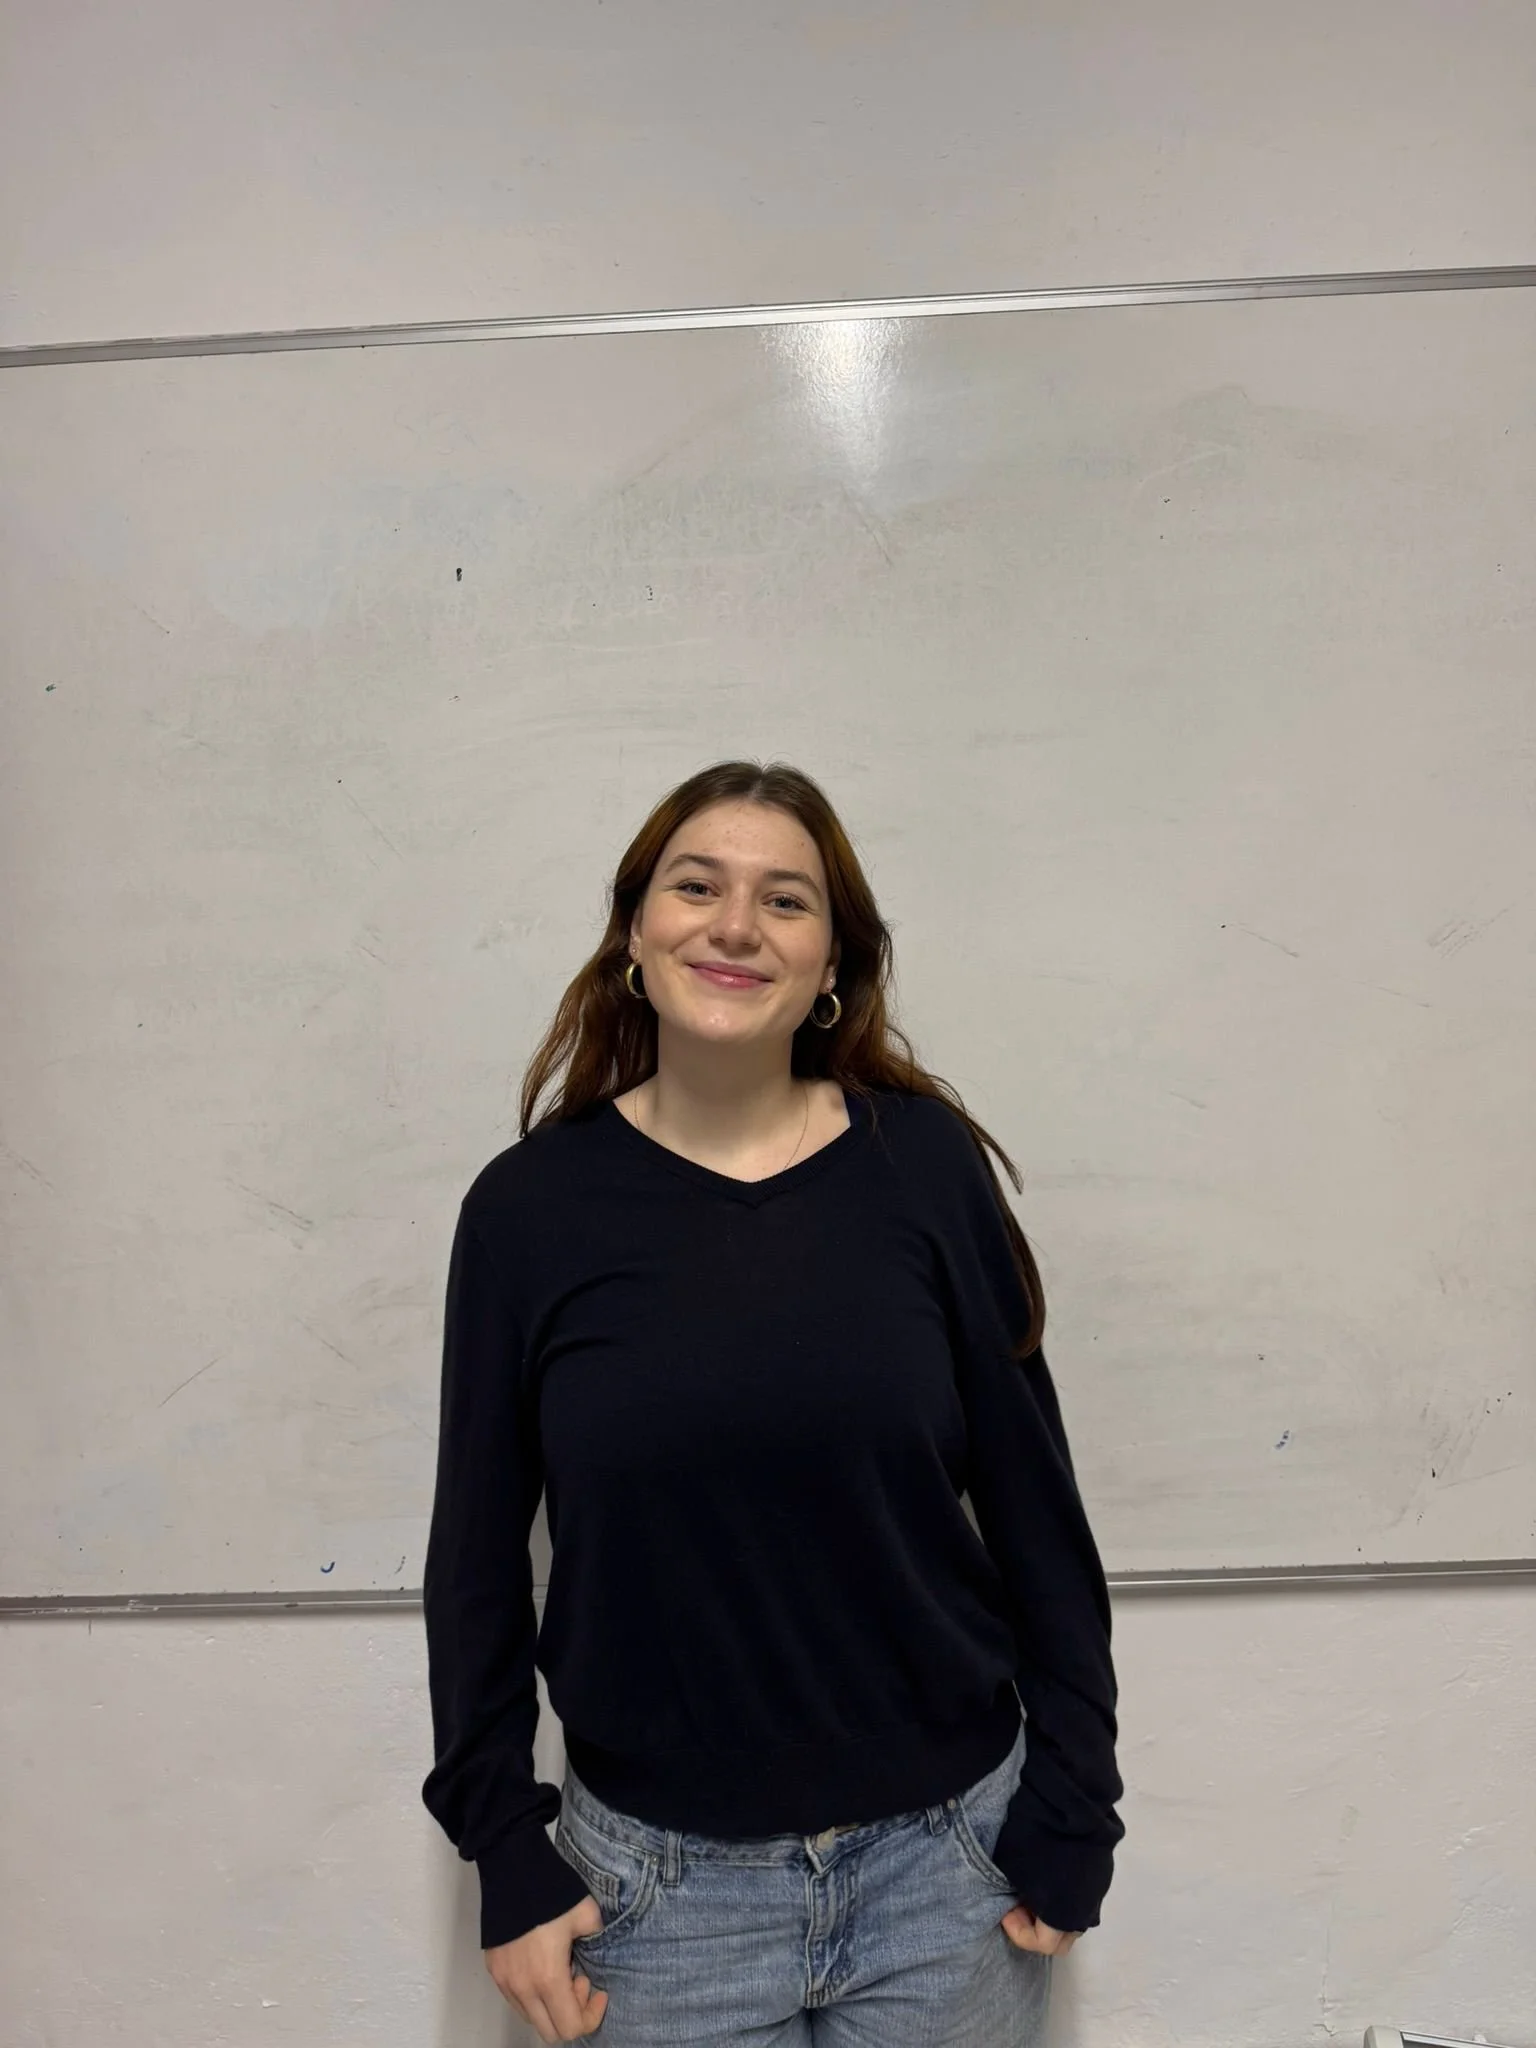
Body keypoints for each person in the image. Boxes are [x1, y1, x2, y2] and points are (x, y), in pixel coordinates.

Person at [421, 759, 1124, 2045]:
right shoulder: (527, 1212)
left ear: (833, 961)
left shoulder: (922, 1167)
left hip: (950, 1875)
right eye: (698, 885)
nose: (737, 923)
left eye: (786, 900)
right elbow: (473, 1561)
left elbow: (1037, 1509)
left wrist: (1078, 1794)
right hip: (654, 1903)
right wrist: (504, 1852)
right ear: (636, 929)